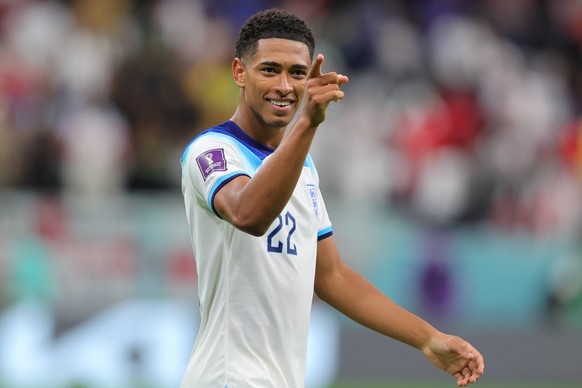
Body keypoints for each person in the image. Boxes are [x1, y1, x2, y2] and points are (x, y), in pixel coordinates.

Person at [180, 8, 484, 388]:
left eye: (297, 73)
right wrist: (307, 124)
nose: (285, 86)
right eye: (270, 70)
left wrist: (427, 338)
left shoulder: (301, 167)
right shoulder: (212, 150)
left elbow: (332, 276)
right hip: (229, 378)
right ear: (240, 72)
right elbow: (248, 214)